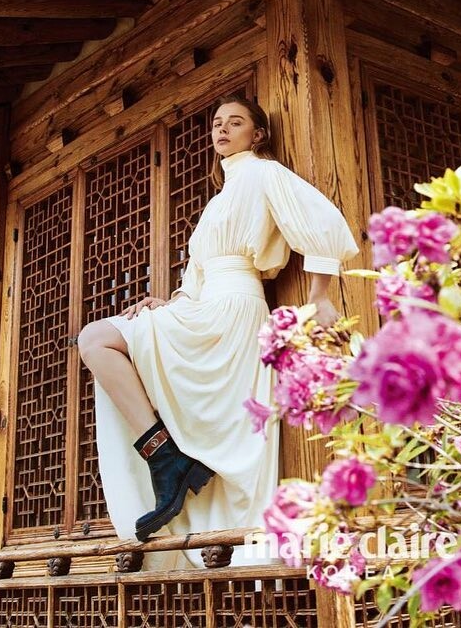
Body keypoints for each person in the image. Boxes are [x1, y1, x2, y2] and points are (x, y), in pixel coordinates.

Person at [76, 96, 360, 569]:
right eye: (217, 124)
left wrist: (321, 295)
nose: (223, 130)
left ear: (257, 134)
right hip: (204, 307)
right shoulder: (216, 201)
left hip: (237, 309)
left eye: (236, 122)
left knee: (96, 338)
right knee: (95, 340)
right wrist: (171, 303)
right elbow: (198, 275)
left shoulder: (265, 173)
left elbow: (322, 222)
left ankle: (171, 462)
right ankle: (165, 456)